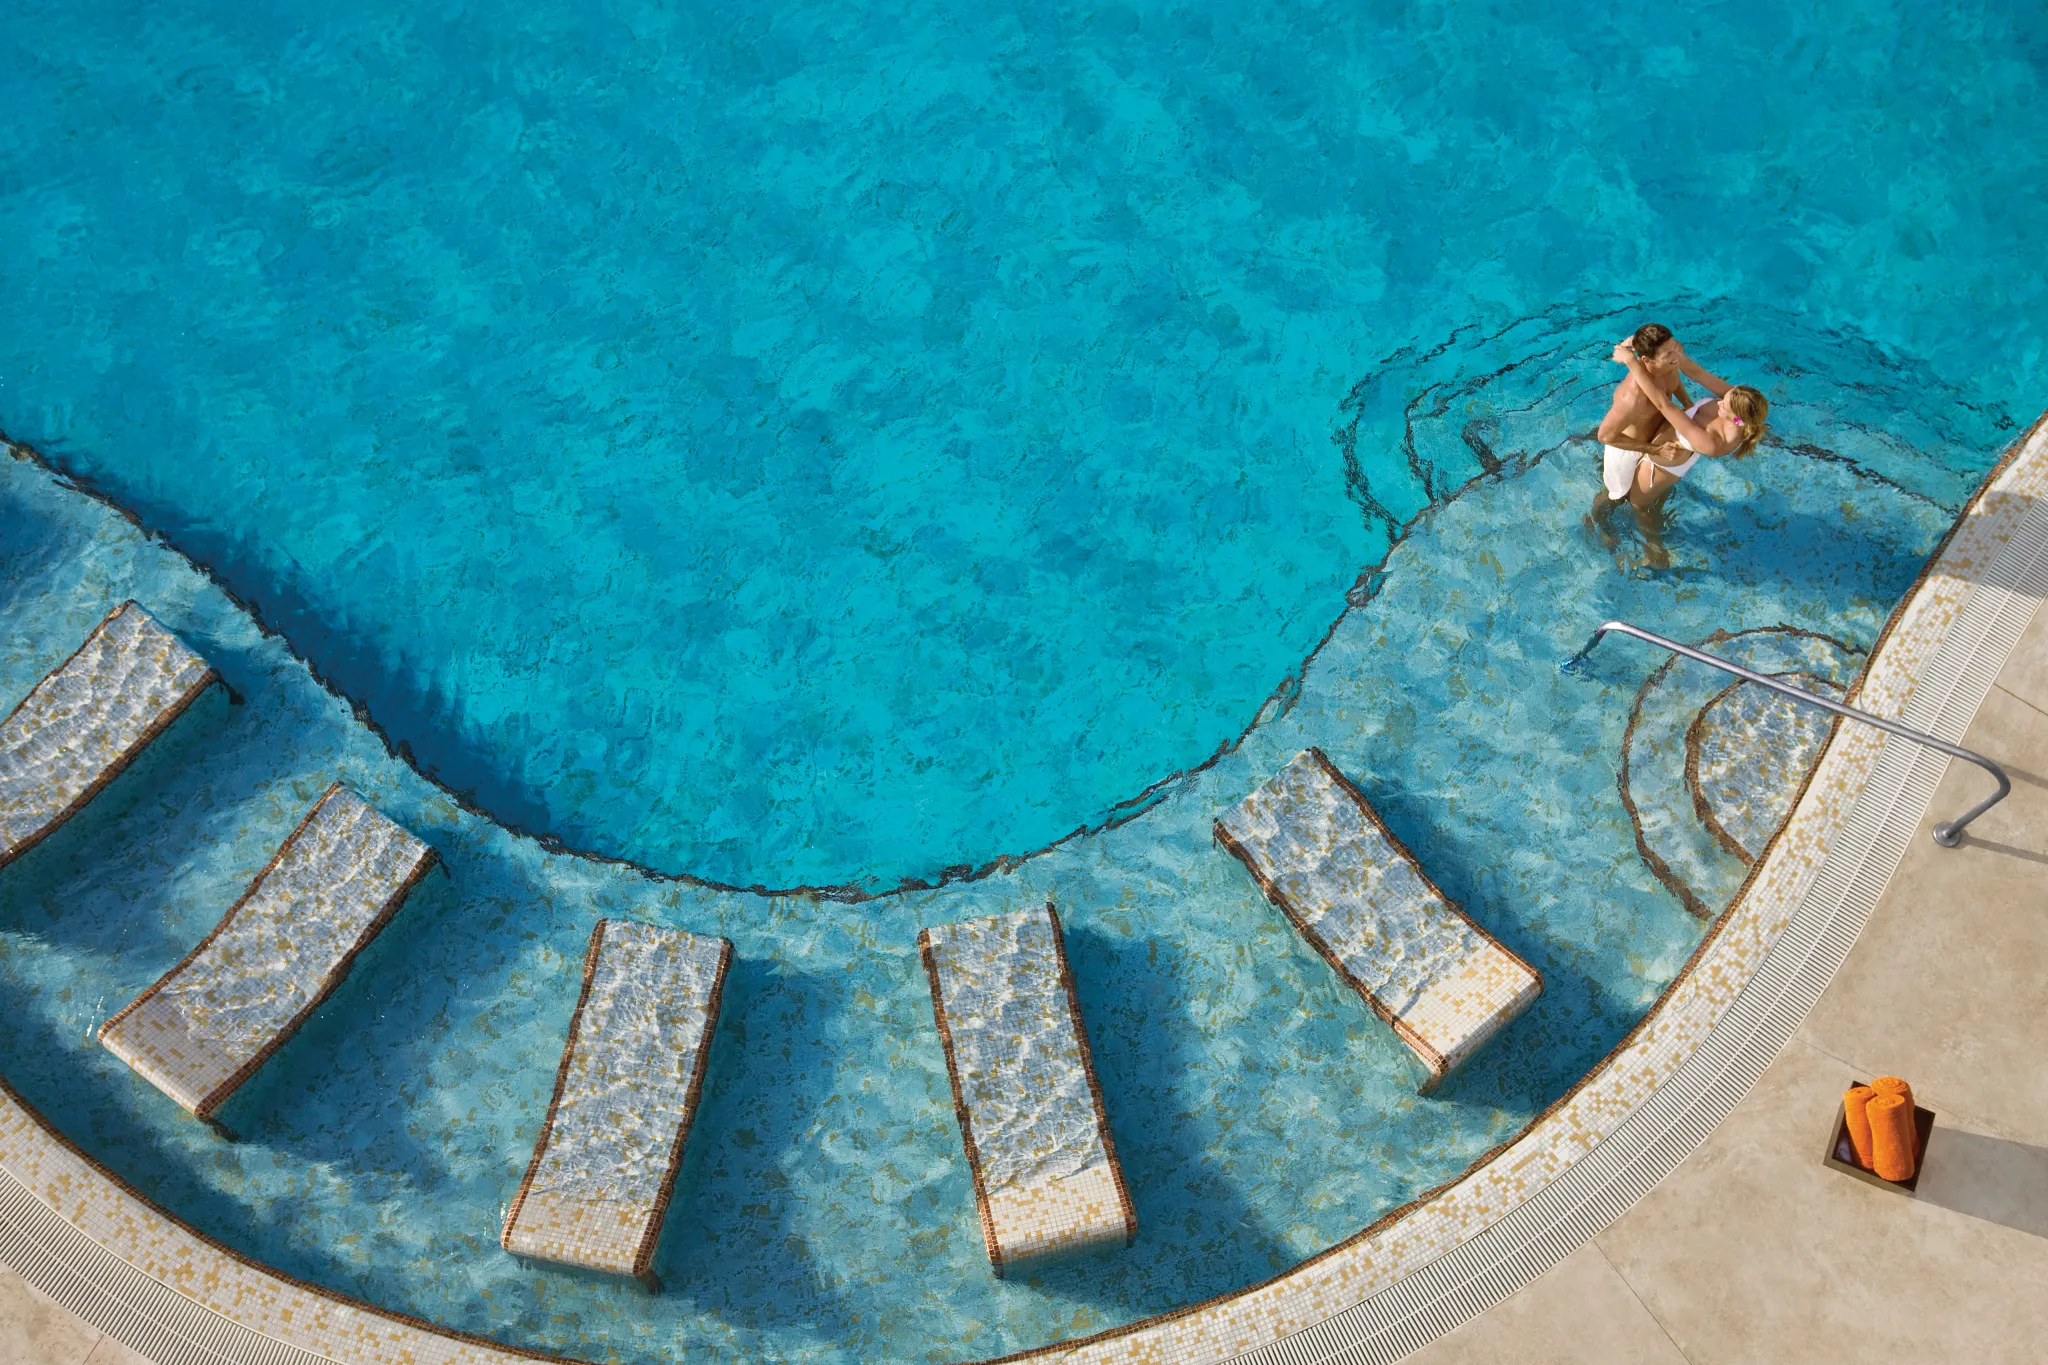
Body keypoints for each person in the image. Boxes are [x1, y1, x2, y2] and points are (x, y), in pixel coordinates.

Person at [1590, 328, 1770, 568]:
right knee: (1652, 496)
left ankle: (1655, 554)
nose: (1721, 397)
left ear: (1732, 415)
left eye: (1724, 402)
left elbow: (1664, 405)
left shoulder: (1712, 442)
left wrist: (1632, 363)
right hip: (1671, 450)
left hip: (1662, 463)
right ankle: (1658, 509)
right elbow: (1696, 372)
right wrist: (1644, 346)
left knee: (1638, 504)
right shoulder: (1739, 408)